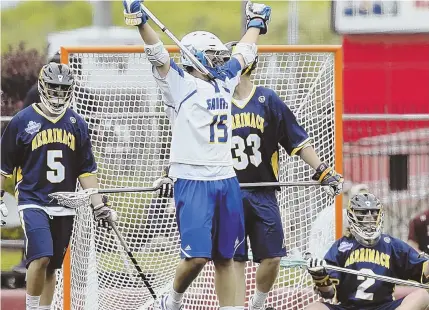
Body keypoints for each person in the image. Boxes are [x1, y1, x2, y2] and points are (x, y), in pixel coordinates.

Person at [123, 1, 271, 309]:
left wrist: (255, 22)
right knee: (197, 257)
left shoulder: (226, 78)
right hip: (192, 179)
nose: (220, 61)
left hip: (225, 177)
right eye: (213, 56)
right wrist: (140, 22)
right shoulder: (179, 83)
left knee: (226, 257)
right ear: (195, 57)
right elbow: (158, 54)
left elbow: (244, 52)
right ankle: (172, 300)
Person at [223, 41, 344, 310]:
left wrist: (322, 170)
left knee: (273, 257)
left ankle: (258, 303)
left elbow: (296, 141)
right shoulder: (217, 102)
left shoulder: (268, 100)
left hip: (263, 192)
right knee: (235, 259)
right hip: (228, 192)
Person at [0, 62, 118, 310]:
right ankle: (31, 307)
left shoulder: (76, 123)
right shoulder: (23, 121)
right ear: (43, 87)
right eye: (53, 88)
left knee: (52, 266)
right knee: (40, 257)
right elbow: (4, 167)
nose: (57, 94)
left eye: (63, 89)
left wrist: (98, 204)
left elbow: (86, 169)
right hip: (33, 200)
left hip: (65, 203)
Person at [305, 192, 429, 310]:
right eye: (363, 212)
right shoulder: (341, 246)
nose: (369, 217)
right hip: (348, 307)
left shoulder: (391, 245)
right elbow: (328, 293)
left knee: (423, 295)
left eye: (373, 212)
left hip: (384, 307)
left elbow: (423, 271)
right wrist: (319, 277)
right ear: (351, 215)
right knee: (314, 308)